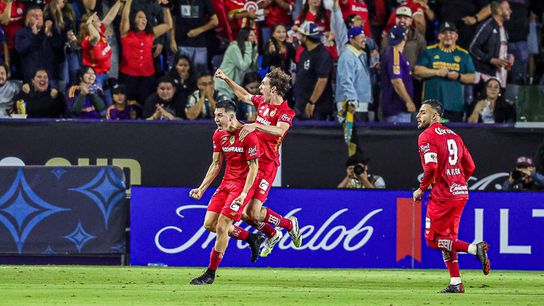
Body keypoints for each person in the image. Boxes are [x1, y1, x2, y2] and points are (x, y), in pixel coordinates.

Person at [215, 66, 302, 258]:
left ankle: (288, 225)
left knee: (253, 212)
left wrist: (255, 125)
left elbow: (280, 131)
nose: (260, 88)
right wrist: (227, 79)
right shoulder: (262, 102)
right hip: (252, 164)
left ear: (273, 89)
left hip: (268, 165)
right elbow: (244, 95)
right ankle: (273, 233)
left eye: (263, 84)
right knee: (246, 213)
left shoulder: (285, 111)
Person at [413, 99, 490, 293]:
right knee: (448, 241)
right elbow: (470, 166)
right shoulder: (455, 136)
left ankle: (475, 249)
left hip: (443, 196)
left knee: (432, 240)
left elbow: (431, 167)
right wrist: (457, 182)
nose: (418, 115)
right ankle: (456, 282)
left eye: (423, 112)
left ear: (435, 116)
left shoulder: (426, 136)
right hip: (460, 193)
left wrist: (422, 189)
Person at [189, 100, 265, 285]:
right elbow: (216, 164)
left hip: (242, 187)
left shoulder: (248, 135)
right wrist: (201, 188)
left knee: (222, 226)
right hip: (226, 184)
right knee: (209, 224)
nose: (216, 119)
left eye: (219, 115)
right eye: (215, 115)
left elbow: (254, 168)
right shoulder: (218, 135)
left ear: (231, 116)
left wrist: (244, 194)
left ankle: (210, 273)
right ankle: (251, 237)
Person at [414, 22, 476, 122]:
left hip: (454, 107)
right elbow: (417, 71)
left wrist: (458, 76)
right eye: (444, 33)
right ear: (439, 36)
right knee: (430, 137)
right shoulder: (429, 51)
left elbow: (472, 77)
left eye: (451, 33)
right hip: (430, 108)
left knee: (451, 137)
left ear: (456, 36)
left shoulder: (464, 55)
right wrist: (436, 72)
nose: (448, 36)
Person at [119, 0, 173, 106]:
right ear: (133, 19)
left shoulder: (150, 34)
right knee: (129, 106)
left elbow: (168, 25)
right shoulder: (126, 33)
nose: (143, 20)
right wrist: (128, 2)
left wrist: (165, 6)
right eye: (139, 17)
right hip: (129, 77)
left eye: (144, 18)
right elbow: (125, 18)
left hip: (147, 77)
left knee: (145, 104)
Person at [294, 21, 333, 120]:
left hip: (316, 107)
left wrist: (312, 102)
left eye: (301, 35)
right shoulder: (305, 52)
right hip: (302, 105)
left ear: (306, 37)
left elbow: (322, 80)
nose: (299, 37)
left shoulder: (322, 55)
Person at [469, 0, 511, 87]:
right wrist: (490, 60)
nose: (510, 11)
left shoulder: (504, 30)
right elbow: (473, 48)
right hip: (485, 76)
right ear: (499, 11)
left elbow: (500, 51)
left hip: (500, 77)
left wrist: (509, 56)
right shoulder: (487, 26)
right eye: (507, 8)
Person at [171, 0, 218, 73]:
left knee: (199, 75)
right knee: (181, 73)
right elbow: (172, 20)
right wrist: (172, 39)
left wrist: (199, 30)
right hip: (181, 43)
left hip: (199, 45)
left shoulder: (205, 1)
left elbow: (215, 21)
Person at [336, 27, 372, 122]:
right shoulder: (347, 56)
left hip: (360, 104)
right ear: (351, 39)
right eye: (360, 37)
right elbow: (345, 80)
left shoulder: (360, 55)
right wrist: (351, 100)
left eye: (364, 37)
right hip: (351, 105)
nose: (364, 40)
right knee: (350, 136)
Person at [381, 25, 416, 123]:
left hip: (396, 109)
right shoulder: (394, 55)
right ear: (405, 37)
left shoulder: (393, 54)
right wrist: (408, 101)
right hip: (397, 110)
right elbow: (396, 81)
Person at [214, 28, 258, 99]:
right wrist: (249, 47)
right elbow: (243, 66)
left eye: (254, 35)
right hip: (223, 86)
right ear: (244, 37)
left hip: (233, 88)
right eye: (251, 35)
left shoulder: (247, 50)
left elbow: (254, 68)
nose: (254, 38)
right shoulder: (234, 48)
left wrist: (254, 50)